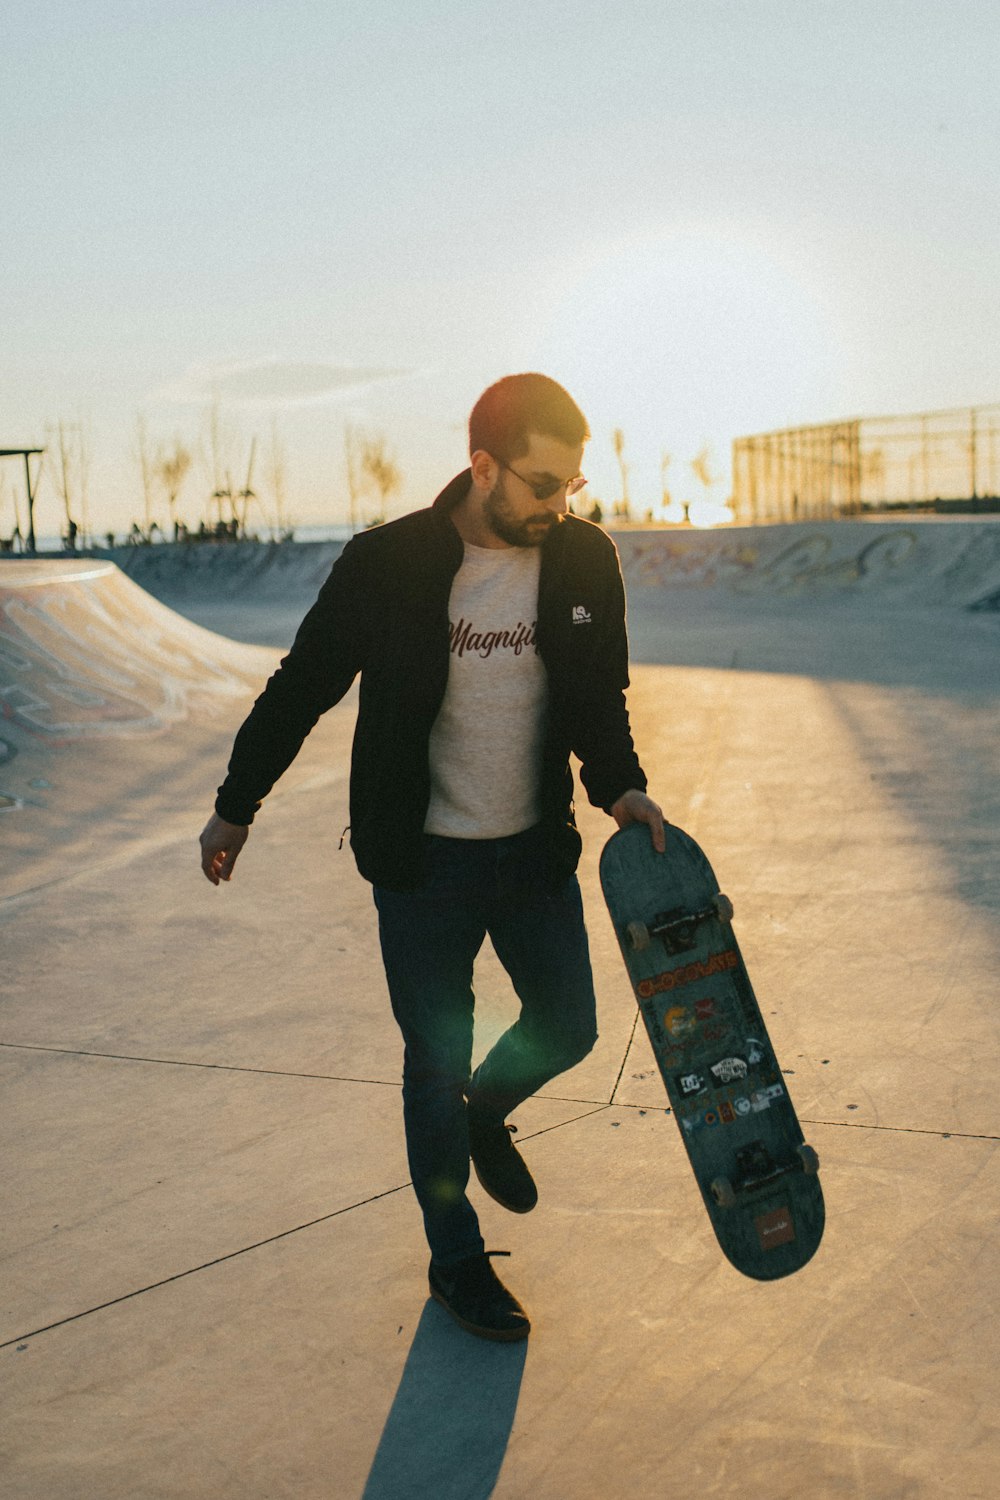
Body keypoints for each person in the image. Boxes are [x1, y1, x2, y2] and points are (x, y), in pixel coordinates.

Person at [199, 373, 664, 1342]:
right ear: (482, 465)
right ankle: (456, 1262)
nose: (558, 505)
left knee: (569, 1025)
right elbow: (302, 687)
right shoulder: (389, 563)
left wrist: (620, 786)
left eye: (571, 485)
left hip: (531, 850)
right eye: (542, 484)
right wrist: (235, 807)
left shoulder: (582, 560)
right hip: (423, 866)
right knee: (429, 1062)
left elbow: (597, 696)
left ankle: (484, 1110)